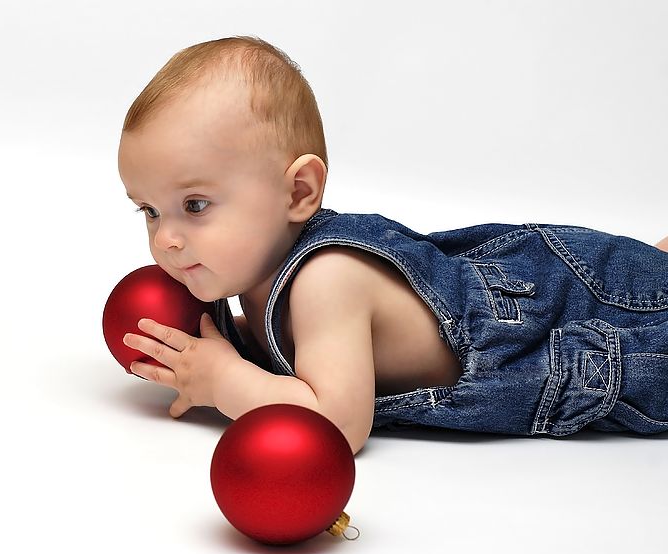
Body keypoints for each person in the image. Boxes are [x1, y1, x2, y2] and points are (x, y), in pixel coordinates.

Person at [118, 36, 668, 454]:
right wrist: (224, 343)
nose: (165, 238)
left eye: (195, 206)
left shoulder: (326, 280)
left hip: (562, 328)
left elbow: (338, 423)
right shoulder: (257, 274)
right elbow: (298, 353)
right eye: (150, 210)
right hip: (530, 287)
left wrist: (224, 379)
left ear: (298, 192)